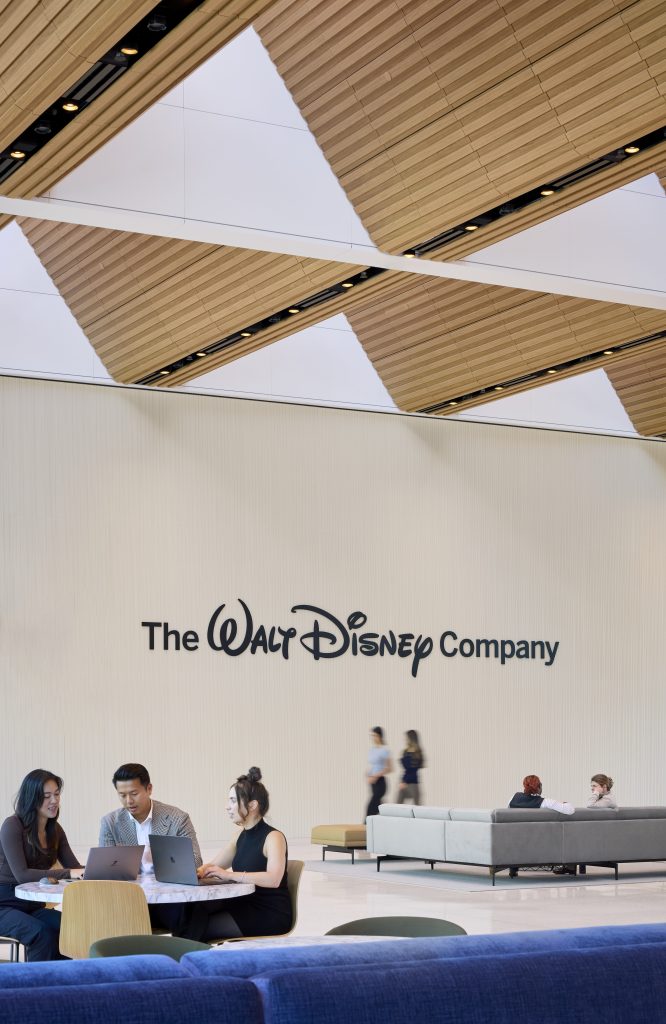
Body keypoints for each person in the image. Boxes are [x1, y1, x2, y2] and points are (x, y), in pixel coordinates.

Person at [183, 767, 291, 940]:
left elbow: (273, 879)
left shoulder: (273, 837)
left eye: (233, 801)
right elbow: (214, 865)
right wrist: (197, 871)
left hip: (268, 913)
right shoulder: (239, 835)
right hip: (244, 903)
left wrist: (229, 875)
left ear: (252, 805)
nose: (227, 807)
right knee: (190, 914)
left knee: (196, 929)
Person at [99, 762, 201, 931]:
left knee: (192, 913)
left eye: (134, 793)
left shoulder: (177, 818)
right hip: (128, 900)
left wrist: (160, 856)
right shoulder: (110, 823)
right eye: (122, 795)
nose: (128, 801)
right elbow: (106, 870)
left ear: (149, 789)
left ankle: (181, 955)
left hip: (169, 898)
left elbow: (196, 861)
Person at [0, 769, 83, 960]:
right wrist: (70, 873)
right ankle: (38, 988)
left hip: (32, 906)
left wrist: (99, 868)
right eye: (47, 796)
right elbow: (22, 875)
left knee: (73, 928)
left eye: (56, 794)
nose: (54, 800)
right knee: (41, 934)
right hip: (3, 905)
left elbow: (74, 866)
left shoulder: (55, 830)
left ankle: (66, 983)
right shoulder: (12, 826)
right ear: (32, 798)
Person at [508, 775, 574, 878]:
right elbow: (570, 810)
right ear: (540, 787)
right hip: (541, 842)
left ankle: (513, 869)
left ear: (524, 786)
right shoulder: (545, 802)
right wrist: (566, 803)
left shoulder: (513, 798)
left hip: (515, 841)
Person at [366, 726, 392, 817]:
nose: (373, 738)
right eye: (372, 736)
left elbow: (389, 768)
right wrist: (368, 775)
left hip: (380, 781)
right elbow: (373, 765)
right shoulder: (372, 750)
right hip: (372, 782)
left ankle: (365, 824)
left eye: (375, 735)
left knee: (371, 806)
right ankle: (386, 819)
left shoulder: (384, 750)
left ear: (380, 736)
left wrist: (376, 776)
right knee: (378, 805)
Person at [397, 730, 424, 805]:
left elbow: (412, 770)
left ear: (410, 738)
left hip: (412, 782)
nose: (405, 739)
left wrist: (404, 781)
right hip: (406, 780)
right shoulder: (406, 751)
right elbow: (407, 769)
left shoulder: (417, 752)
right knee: (397, 806)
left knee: (417, 807)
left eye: (407, 738)